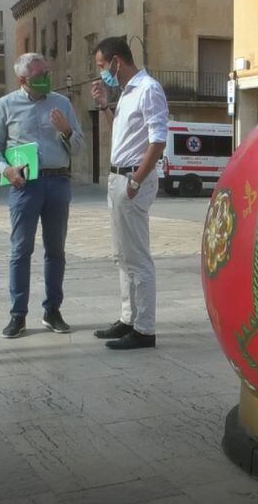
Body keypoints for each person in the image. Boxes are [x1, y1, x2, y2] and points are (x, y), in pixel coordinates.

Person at [0, 53, 84, 338]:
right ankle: (18, 314)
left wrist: (66, 130)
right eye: (39, 75)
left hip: (58, 182)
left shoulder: (62, 103)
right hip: (24, 185)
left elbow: (77, 146)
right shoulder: (5, 105)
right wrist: (6, 170)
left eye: (47, 72)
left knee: (56, 251)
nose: (45, 78)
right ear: (23, 80)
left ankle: (52, 310)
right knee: (20, 250)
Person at [90, 36, 167, 350]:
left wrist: (136, 180)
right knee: (122, 256)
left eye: (101, 66)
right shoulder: (126, 93)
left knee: (137, 258)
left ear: (116, 61)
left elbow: (157, 140)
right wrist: (104, 106)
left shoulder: (148, 89)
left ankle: (144, 329)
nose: (101, 72)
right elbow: (120, 134)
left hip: (132, 180)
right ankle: (128, 318)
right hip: (118, 179)